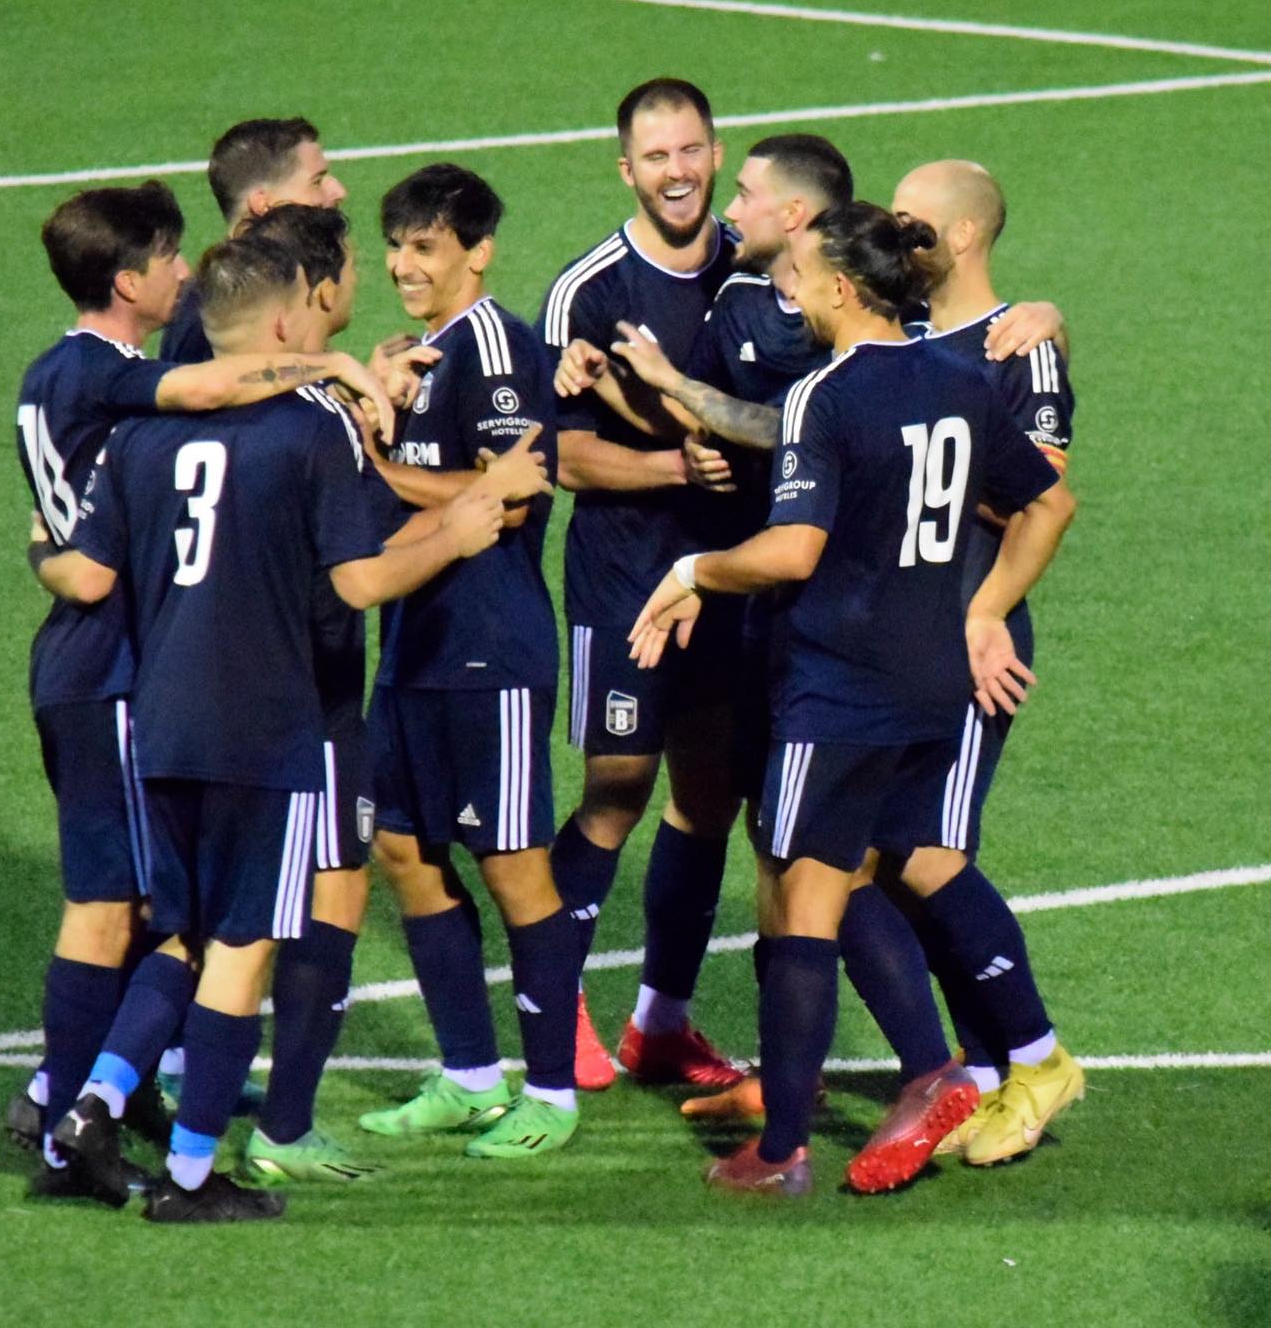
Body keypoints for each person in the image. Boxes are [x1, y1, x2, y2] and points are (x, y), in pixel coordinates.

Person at [37, 233, 507, 1221]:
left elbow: (90, 567)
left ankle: (92, 1099)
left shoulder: (139, 437)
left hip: (159, 720)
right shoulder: (307, 433)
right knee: (242, 947)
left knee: (182, 935)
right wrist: (462, 528)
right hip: (267, 724)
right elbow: (356, 581)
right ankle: (194, 1178)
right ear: (290, 322)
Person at [628, 202, 1076, 1195]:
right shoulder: (957, 377)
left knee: (800, 895)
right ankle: (953, 1069)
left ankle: (786, 1145)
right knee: (898, 864)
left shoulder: (824, 398)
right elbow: (1049, 499)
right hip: (931, 681)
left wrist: (695, 570)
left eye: (797, 270)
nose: (787, 287)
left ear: (839, 286)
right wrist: (992, 602)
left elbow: (794, 551)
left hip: (838, 685)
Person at [10, 180, 384, 1197]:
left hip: (78, 667)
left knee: (145, 910)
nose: (182, 271)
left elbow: (69, 554)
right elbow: (211, 392)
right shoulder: (113, 382)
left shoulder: (48, 377)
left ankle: (87, 1102)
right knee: (164, 918)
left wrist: (42, 548)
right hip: (135, 674)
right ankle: (72, 1106)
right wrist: (335, 365)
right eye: (169, 259)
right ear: (129, 281)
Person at [354, 163, 581, 1160]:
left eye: (427, 247)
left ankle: (555, 1091)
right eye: (397, 245)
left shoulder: (496, 349)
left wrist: (368, 463)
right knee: (402, 847)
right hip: (412, 640)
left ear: (477, 251)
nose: (406, 264)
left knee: (513, 864)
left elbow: (509, 497)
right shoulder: (419, 353)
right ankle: (468, 1075)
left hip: (490, 644)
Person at [537, 78, 744, 1091]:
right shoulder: (590, 290)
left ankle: (661, 1021)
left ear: (715, 152)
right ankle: (556, 1012)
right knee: (616, 791)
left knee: (707, 797)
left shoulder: (753, 272)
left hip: (729, 580)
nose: (676, 171)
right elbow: (564, 460)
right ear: (626, 167)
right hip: (624, 581)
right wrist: (675, 468)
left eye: (692, 150)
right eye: (655, 156)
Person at [879, 159, 1082, 1164]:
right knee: (898, 854)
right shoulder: (902, 336)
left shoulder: (1020, 352)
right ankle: (993, 1070)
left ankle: (1036, 1059)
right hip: (896, 642)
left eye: (913, 222)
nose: (895, 234)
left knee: (925, 845)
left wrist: (989, 606)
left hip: (969, 634)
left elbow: (1042, 494)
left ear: (962, 238)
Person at [159, 116, 347, 364]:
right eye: (317, 181)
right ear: (263, 204)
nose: (339, 192)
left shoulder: (274, 284)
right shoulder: (217, 311)